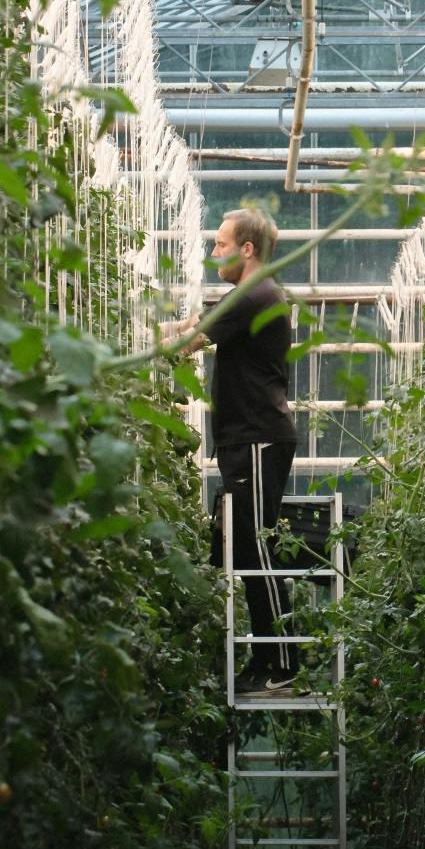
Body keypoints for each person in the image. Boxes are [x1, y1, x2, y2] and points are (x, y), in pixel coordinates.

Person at [161, 208, 300, 696]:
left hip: (258, 437)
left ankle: (284, 665)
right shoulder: (249, 296)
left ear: (247, 249)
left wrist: (137, 341)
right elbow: (193, 324)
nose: (212, 252)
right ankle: (267, 662)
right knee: (245, 548)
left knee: (257, 547)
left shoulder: (256, 294)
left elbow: (190, 340)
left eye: (220, 244)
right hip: (247, 438)